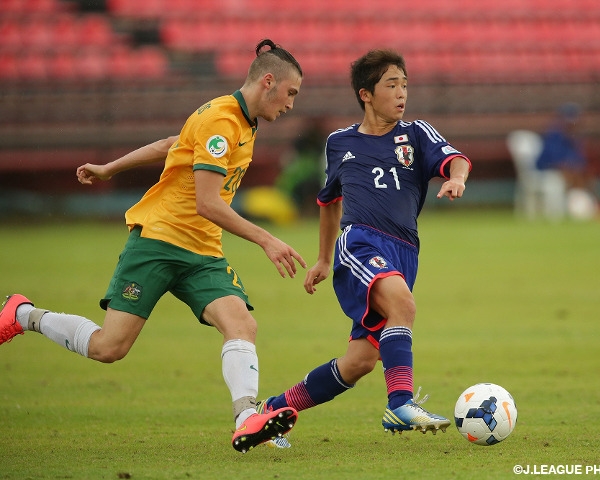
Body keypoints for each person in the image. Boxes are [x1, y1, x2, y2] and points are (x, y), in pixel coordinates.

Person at [0, 39, 306, 454]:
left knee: (242, 325)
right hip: (158, 242)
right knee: (109, 348)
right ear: (268, 81)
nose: (291, 104)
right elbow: (207, 202)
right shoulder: (221, 121)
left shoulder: (239, 119)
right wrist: (267, 239)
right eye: (290, 93)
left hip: (202, 252)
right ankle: (23, 313)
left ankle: (246, 416)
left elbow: (171, 144)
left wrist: (110, 167)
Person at [256, 49, 471, 446]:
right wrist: (323, 258)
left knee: (359, 363)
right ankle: (401, 404)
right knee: (403, 306)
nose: (401, 93)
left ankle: (270, 411)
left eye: (405, 84)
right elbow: (329, 202)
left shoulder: (417, 133)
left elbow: (457, 159)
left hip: (405, 252)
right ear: (366, 94)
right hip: (360, 243)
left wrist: (456, 178)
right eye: (391, 85)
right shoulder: (340, 142)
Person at [536, 102, 600, 219]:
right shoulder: (554, 134)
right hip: (547, 168)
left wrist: (579, 167)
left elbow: (579, 159)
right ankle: (573, 207)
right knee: (572, 174)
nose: (572, 123)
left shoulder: (574, 136)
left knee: (587, 175)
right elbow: (553, 158)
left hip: (567, 169)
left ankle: (592, 205)